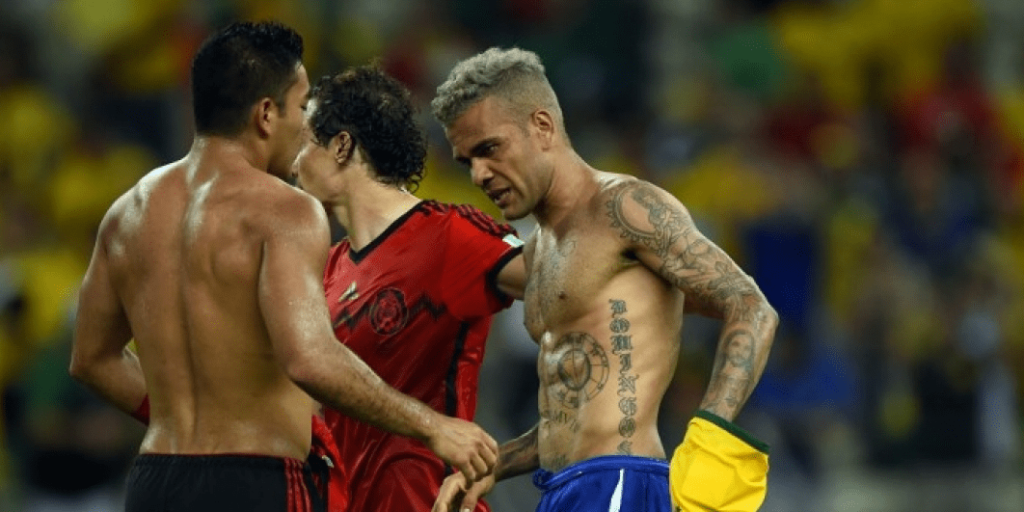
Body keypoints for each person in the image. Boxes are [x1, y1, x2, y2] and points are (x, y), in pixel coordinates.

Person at [67, 21, 498, 512]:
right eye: (301, 107)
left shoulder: (127, 213)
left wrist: (184, 418)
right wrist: (433, 426)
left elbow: (91, 359)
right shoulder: (284, 210)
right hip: (260, 481)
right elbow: (310, 360)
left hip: (155, 482)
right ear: (266, 114)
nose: (304, 125)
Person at [430, 47, 779, 512]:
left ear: (542, 126)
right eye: (466, 161)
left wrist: (711, 438)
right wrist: (493, 467)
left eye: (489, 149)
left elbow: (750, 306)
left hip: (619, 481)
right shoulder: (538, 249)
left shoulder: (624, 208)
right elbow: (571, 415)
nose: (479, 174)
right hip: (563, 488)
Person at [291, 65, 527, 512]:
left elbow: (563, 285)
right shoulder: (327, 269)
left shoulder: (449, 236)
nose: (293, 163)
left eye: (303, 144)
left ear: (341, 145)